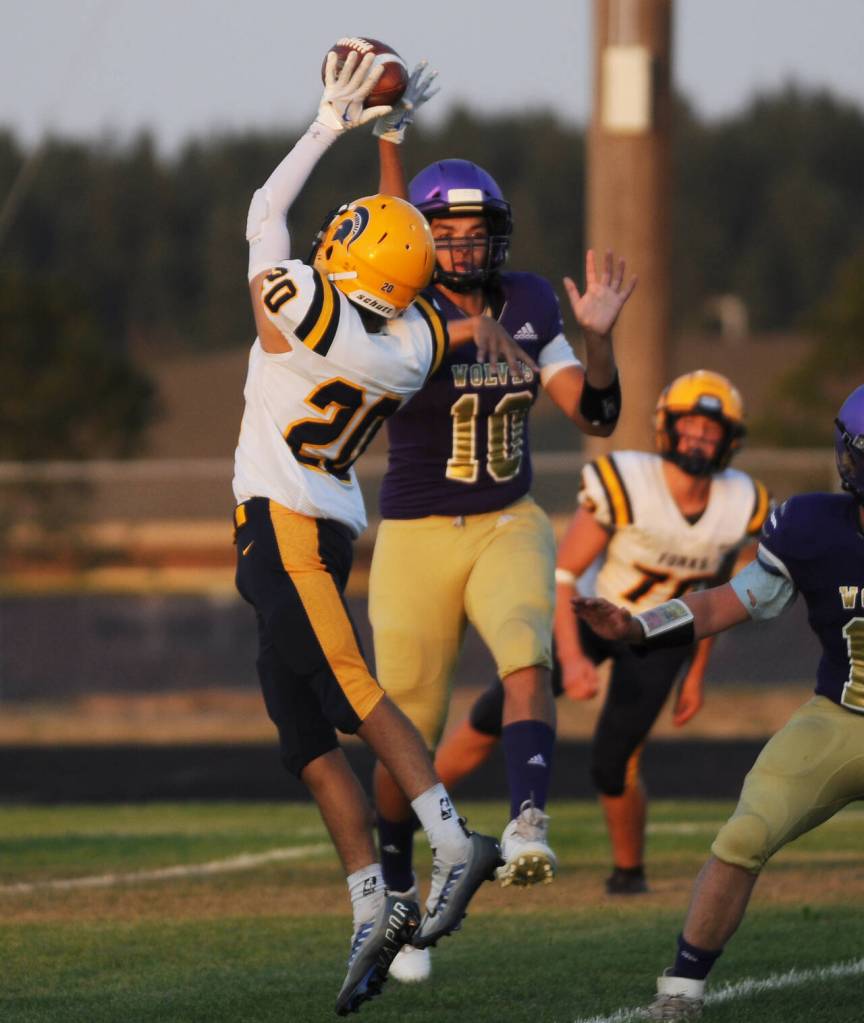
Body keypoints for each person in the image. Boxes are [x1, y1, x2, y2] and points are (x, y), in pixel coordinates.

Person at [232, 51, 499, 1016]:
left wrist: (328, 125)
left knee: (348, 689)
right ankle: (371, 903)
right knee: (303, 733)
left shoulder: (301, 310)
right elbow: (402, 243)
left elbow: (265, 210)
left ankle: (451, 838)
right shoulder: (413, 343)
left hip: (289, 528)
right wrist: (392, 138)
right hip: (307, 525)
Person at [368, 96, 636, 981]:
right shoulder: (399, 300)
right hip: (415, 530)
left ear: (498, 237)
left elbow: (596, 412)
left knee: (527, 650)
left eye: (475, 233)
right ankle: (399, 890)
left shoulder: (525, 301)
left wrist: (597, 342)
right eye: (445, 233)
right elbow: (392, 296)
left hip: (507, 518)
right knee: (408, 723)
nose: (462, 247)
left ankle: (527, 821)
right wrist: (389, 141)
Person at [572, 383, 864, 1020]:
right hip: (843, 719)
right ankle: (681, 993)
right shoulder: (812, 527)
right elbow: (720, 604)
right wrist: (638, 626)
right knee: (743, 836)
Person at [434, 371, 771, 895]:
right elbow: (564, 574)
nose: (698, 439)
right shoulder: (629, 480)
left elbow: (716, 597)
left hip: (661, 633)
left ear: (730, 439)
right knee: (492, 714)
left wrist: (695, 673)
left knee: (614, 761)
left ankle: (629, 873)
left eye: (711, 430)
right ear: (667, 427)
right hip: (593, 612)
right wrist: (572, 656)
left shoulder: (743, 502)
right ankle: (405, 812)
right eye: (689, 426)